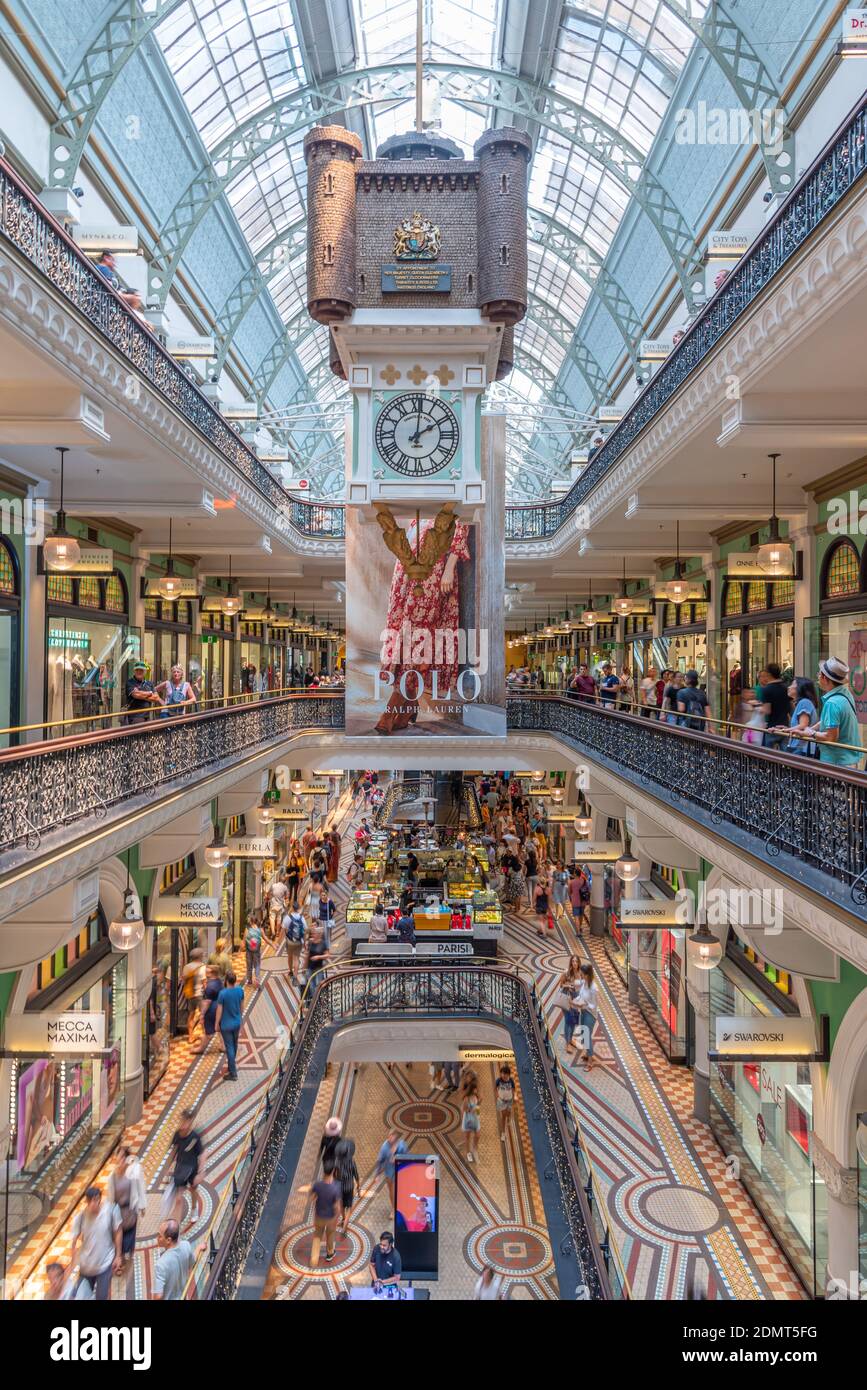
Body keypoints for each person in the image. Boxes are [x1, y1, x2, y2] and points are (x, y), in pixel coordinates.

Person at [799, 657, 863, 766]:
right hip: (848, 760)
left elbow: (831, 737)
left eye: (819, 674)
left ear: (824, 677)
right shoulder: (846, 694)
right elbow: (829, 721)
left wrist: (811, 733)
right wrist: (811, 728)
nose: (818, 676)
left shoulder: (832, 703)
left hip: (837, 763)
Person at [69, 1187, 123, 1301]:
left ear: (99, 1199)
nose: (94, 1203)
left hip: (104, 1264)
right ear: (87, 1202)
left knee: (101, 1297)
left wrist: (118, 1256)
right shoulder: (81, 1217)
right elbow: (73, 1241)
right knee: (80, 1296)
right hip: (86, 1267)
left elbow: (118, 1231)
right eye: (91, 1201)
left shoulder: (111, 1210)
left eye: (96, 1200)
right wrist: (73, 1261)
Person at [106, 1144, 147, 1267]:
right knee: (119, 1240)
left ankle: (127, 1261)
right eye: (120, 1157)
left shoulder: (133, 1173)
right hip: (118, 1212)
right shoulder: (112, 1177)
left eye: (125, 1157)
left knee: (130, 1239)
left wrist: (142, 1206)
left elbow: (141, 1188)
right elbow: (110, 1198)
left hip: (130, 1212)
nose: (122, 1160)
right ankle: (120, 1261)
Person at [167, 1109, 204, 1225]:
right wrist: (169, 1166)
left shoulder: (195, 1137)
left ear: (190, 1122)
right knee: (178, 1197)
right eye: (181, 1121)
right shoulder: (177, 1135)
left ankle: (194, 1208)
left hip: (193, 1168)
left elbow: (202, 1154)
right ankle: (176, 1225)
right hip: (180, 1169)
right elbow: (174, 1150)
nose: (183, 1124)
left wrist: (201, 1172)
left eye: (185, 1121)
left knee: (193, 1190)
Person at [308, 1157, 343, 1265]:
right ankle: (330, 1253)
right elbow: (337, 1207)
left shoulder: (317, 1185)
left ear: (324, 1171)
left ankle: (314, 1260)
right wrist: (337, 1218)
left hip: (319, 1216)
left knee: (317, 1236)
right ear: (333, 1171)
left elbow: (312, 1198)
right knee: (330, 1235)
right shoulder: (336, 1188)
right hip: (330, 1218)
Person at [775, 677, 818, 756]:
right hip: (801, 746)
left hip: (802, 747)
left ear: (799, 688)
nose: (789, 687)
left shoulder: (804, 702)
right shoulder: (803, 702)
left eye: (792, 684)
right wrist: (785, 728)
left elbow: (803, 725)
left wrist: (785, 730)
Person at [152, 1220, 195, 1301]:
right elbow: (192, 1263)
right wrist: (199, 1248)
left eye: (159, 1236)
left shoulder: (161, 1264)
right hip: (183, 1295)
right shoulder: (186, 1245)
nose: (157, 1238)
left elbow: (158, 1296)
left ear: (168, 1240)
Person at [215, 970, 244, 1081]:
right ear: (235, 980)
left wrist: (217, 1023)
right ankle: (231, 1065)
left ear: (226, 980)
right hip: (236, 1023)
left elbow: (219, 1010)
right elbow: (242, 1007)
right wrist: (239, 1017)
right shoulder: (240, 991)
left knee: (229, 1047)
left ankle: (233, 1073)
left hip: (226, 1025)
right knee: (234, 1044)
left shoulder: (223, 993)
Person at [757, 662, 791, 750]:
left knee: (769, 755)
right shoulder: (786, 687)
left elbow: (767, 710)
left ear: (769, 674)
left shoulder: (767, 689)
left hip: (772, 727)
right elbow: (790, 707)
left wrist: (759, 708)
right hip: (785, 726)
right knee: (785, 755)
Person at [575, 962, 600, 1071]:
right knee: (583, 1033)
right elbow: (581, 995)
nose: (581, 976)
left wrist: (583, 1004)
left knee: (586, 1036)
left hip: (590, 1014)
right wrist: (576, 1001)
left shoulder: (594, 988)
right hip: (583, 1012)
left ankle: (590, 1061)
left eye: (582, 974)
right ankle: (588, 1053)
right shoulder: (584, 983)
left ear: (588, 975)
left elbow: (594, 1005)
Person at [180, 947, 206, 1048]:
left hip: (190, 995)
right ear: (200, 956)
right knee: (203, 1014)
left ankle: (190, 1036)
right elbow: (204, 983)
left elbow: (183, 980)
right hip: (199, 995)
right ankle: (205, 1034)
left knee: (191, 1015)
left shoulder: (186, 967)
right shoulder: (202, 967)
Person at [334, 1137, 360, 1234]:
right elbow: (356, 1174)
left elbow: (335, 1175)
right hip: (349, 1186)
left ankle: (343, 1219)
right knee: (349, 1206)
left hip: (340, 1187)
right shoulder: (352, 1162)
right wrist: (358, 1185)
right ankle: (345, 1225)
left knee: (341, 1204)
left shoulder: (337, 1161)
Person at [124, 659, 162, 724]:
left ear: (145, 672)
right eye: (137, 670)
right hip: (135, 717)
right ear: (134, 671)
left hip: (147, 716)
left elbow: (156, 698)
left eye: (141, 670)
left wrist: (140, 693)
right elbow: (136, 695)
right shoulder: (130, 682)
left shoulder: (149, 683)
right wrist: (149, 693)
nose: (139, 672)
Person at [375, 1130, 408, 1206]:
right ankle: (393, 1207)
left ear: (396, 1137)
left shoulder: (402, 1145)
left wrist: (398, 1158)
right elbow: (379, 1160)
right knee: (392, 1191)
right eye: (389, 1137)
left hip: (400, 1171)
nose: (389, 1139)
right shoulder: (384, 1146)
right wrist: (377, 1175)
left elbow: (407, 1157)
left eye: (392, 1137)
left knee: (398, 1190)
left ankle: (398, 1206)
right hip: (389, 1172)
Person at [558, 956, 583, 1053]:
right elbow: (561, 984)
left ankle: (570, 1039)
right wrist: (568, 985)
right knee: (568, 1020)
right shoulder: (566, 972)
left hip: (576, 998)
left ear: (579, 963)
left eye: (576, 961)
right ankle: (567, 1044)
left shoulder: (581, 973)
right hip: (566, 997)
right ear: (571, 962)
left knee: (574, 1020)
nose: (574, 963)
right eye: (573, 961)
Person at [200, 964, 222, 1053]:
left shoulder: (210, 986)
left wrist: (202, 1014)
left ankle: (201, 1048)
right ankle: (223, 1045)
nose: (205, 972)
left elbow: (207, 1002)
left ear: (211, 973)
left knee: (208, 1031)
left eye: (207, 971)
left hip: (212, 1010)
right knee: (220, 1027)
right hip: (220, 1007)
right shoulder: (219, 981)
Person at [460, 1076, 481, 1162]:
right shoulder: (466, 1098)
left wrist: (478, 1112)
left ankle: (474, 1148)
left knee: (478, 1135)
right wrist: (472, 1109)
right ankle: (468, 1153)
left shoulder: (476, 1097)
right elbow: (464, 1109)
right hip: (468, 1119)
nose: (477, 1090)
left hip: (475, 1118)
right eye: (476, 1089)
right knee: (467, 1137)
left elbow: (477, 1107)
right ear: (472, 1089)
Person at [283, 904, 306, 982]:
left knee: (290, 957)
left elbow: (284, 929)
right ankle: (295, 978)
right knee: (296, 959)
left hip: (290, 941)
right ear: (299, 909)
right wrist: (305, 942)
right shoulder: (301, 918)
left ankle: (290, 972)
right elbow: (305, 930)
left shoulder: (288, 917)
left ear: (292, 908)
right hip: (299, 942)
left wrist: (287, 936)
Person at [495, 1063, 516, 1141]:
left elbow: (513, 1089)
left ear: (508, 1075)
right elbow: (495, 1088)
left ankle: (509, 1117)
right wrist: (497, 1096)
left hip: (509, 1100)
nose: (503, 1075)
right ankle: (503, 1134)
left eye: (505, 1074)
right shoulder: (498, 1080)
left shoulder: (511, 1081)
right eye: (502, 1073)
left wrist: (513, 1098)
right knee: (503, 1116)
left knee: (508, 1113)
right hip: (501, 1101)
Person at [305, 919, 330, 983]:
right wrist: (304, 966)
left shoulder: (323, 943)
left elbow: (327, 954)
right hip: (310, 967)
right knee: (311, 985)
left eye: (314, 934)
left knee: (319, 984)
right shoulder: (310, 942)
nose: (313, 935)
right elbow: (308, 953)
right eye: (312, 934)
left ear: (319, 935)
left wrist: (318, 957)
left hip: (318, 967)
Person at [568, 866, 590, 933]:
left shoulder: (571, 882)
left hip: (575, 901)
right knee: (581, 914)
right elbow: (588, 890)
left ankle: (578, 932)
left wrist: (571, 898)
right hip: (583, 901)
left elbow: (569, 892)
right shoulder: (584, 881)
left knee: (576, 916)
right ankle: (580, 927)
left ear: (575, 874)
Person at [244, 914, 262, 988]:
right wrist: (272, 945)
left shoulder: (247, 929)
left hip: (249, 950)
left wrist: (240, 950)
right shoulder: (259, 929)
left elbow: (244, 940)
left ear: (251, 921)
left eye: (248, 919)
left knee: (249, 965)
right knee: (257, 965)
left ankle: (249, 980)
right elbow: (265, 939)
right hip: (256, 951)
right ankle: (257, 979)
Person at [532, 873, 551, 938]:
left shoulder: (537, 889)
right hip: (545, 907)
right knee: (544, 920)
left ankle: (544, 934)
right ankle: (540, 930)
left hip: (539, 906)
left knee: (541, 921)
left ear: (539, 881)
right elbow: (548, 900)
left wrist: (533, 905)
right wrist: (548, 907)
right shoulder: (548, 889)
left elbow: (534, 898)